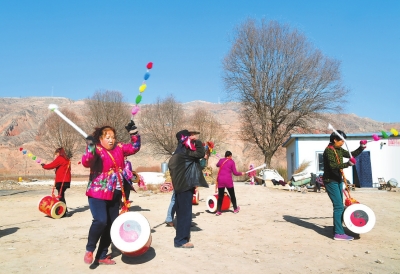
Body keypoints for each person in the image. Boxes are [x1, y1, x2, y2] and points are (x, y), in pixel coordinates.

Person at [82, 120, 141, 265]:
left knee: (111, 225)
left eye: (113, 137)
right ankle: (90, 249)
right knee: (101, 220)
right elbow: (86, 162)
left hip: (115, 193)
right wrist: (89, 147)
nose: (111, 140)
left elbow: (135, 147)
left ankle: (101, 256)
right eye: (107, 137)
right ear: (100, 139)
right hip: (98, 193)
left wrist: (133, 133)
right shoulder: (96, 149)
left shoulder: (119, 147)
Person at [323, 130, 366, 241]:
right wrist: (348, 164)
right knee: (338, 207)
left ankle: (338, 228)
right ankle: (338, 233)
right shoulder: (329, 151)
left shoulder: (339, 149)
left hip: (338, 180)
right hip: (330, 181)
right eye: (341, 140)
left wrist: (361, 147)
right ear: (334, 140)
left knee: (340, 206)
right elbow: (333, 166)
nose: (343, 142)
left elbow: (350, 154)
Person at [168, 129, 208, 248]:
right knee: (185, 214)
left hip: (180, 187)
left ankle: (180, 238)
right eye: (189, 136)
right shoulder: (186, 152)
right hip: (185, 186)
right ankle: (181, 240)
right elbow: (201, 153)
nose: (192, 137)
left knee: (181, 213)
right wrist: (198, 141)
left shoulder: (178, 152)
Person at [41, 147, 71, 217]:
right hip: (66, 180)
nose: (56, 155)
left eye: (56, 154)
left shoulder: (60, 158)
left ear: (58, 153)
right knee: (61, 195)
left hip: (61, 180)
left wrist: (44, 166)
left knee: (60, 195)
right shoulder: (67, 159)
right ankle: (64, 210)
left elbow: (52, 165)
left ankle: (63, 211)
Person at [215, 151, 245, 216]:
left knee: (220, 196)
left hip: (220, 180)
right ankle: (235, 209)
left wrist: (220, 160)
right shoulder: (231, 162)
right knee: (232, 195)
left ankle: (218, 211)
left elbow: (217, 165)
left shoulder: (221, 160)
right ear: (230, 156)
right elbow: (235, 173)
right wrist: (241, 173)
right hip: (228, 180)